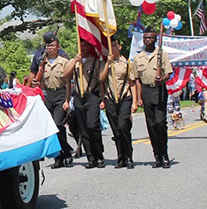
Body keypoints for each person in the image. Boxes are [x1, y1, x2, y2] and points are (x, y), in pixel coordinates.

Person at [134, 26, 174, 168]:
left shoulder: (162, 54)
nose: (148, 40)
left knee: (160, 123)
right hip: (146, 91)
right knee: (151, 125)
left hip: (159, 90)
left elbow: (168, 73)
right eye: (146, 38)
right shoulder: (138, 57)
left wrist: (162, 79)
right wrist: (138, 98)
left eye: (151, 37)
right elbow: (137, 79)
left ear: (156, 39)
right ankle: (157, 155)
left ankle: (164, 154)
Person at [63, 39, 105, 168]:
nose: (82, 48)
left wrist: (103, 99)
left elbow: (101, 81)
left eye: (85, 45)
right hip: (79, 97)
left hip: (92, 96)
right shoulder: (75, 61)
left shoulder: (95, 61)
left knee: (92, 126)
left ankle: (99, 154)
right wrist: (75, 60)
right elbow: (66, 75)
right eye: (80, 45)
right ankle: (90, 157)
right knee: (83, 129)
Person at [98, 35, 138, 169]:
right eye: (111, 46)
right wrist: (108, 64)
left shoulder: (127, 63)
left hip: (125, 97)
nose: (113, 48)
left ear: (120, 47)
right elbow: (101, 79)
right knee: (116, 130)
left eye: (115, 45)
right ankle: (121, 157)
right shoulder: (105, 63)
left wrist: (135, 101)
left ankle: (129, 156)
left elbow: (132, 82)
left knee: (123, 126)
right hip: (110, 98)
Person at [35, 33, 74, 168]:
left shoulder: (64, 62)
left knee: (58, 125)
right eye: (47, 46)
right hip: (49, 95)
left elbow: (68, 82)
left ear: (58, 47)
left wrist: (67, 100)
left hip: (61, 94)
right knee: (51, 128)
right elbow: (39, 81)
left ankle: (67, 153)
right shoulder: (43, 63)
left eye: (52, 45)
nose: (49, 48)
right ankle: (58, 157)